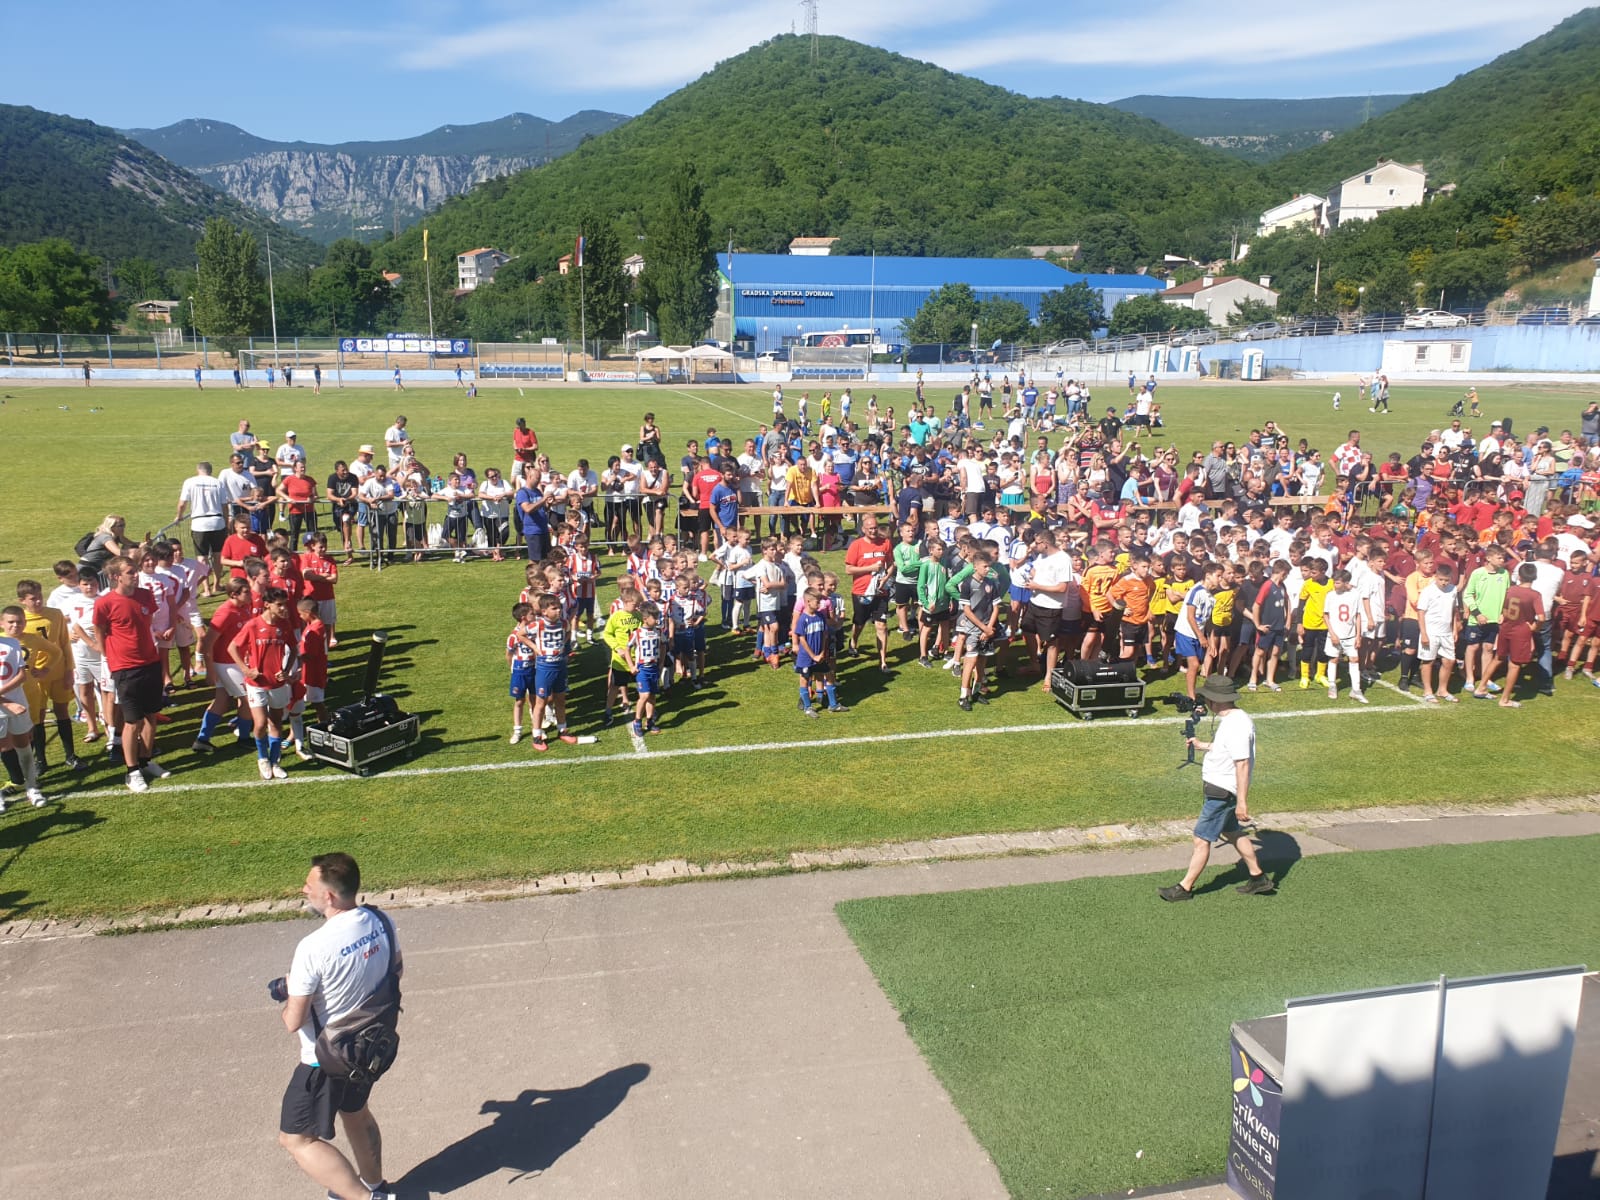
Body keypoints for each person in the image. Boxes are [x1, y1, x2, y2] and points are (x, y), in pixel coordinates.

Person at [275, 853, 400, 1200]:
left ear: (328, 896)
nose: (304, 890)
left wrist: (289, 992)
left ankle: (365, 1198)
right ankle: (375, 1184)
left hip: (324, 1060)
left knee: (296, 1139)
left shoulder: (313, 948)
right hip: (368, 1048)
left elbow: (293, 1021)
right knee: (355, 1113)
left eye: (309, 885)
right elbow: (396, 972)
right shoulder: (381, 921)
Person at [1158, 675, 1274, 901]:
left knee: (1201, 839)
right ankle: (1258, 877)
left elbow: (1242, 763)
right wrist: (1203, 745)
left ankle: (1184, 888)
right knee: (1232, 832)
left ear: (1214, 699)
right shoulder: (1233, 720)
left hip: (1222, 792)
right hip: (1222, 789)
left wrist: (1242, 803)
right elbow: (1226, 748)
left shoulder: (1237, 725)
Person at [93, 556, 171, 793]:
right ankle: (132, 770)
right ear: (116, 576)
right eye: (130, 572)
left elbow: (146, 623)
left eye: (135, 571)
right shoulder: (105, 603)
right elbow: (99, 630)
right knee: (132, 721)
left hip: (151, 662)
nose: (136, 575)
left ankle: (146, 760)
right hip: (126, 669)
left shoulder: (145, 595)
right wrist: (110, 656)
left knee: (151, 716)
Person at [0, 609, 47, 809]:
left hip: (18, 703)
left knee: (24, 746)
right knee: (3, 747)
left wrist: (5, 696)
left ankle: (32, 787)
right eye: (10, 622)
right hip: (8, 705)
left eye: (17, 622)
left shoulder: (12, 644)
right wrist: (5, 702)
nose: (14, 626)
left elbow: (21, 675)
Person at [845, 515, 893, 672]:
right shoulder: (856, 545)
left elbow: (891, 564)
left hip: (880, 592)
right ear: (863, 529)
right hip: (862, 591)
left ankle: (883, 661)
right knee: (859, 622)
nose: (873, 531)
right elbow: (848, 569)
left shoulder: (885, 543)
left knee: (881, 625)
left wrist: (886, 578)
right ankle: (853, 641)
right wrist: (869, 568)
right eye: (870, 528)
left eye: (875, 528)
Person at [176, 461, 228, 595]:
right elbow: (224, 505)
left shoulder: (190, 482)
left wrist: (179, 516)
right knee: (217, 555)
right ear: (210, 471)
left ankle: (206, 589)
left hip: (199, 523)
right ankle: (217, 584)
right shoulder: (218, 483)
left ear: (198, 470)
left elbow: (182, 504)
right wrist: (226, 523)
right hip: (217, 521)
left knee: (201, 557)